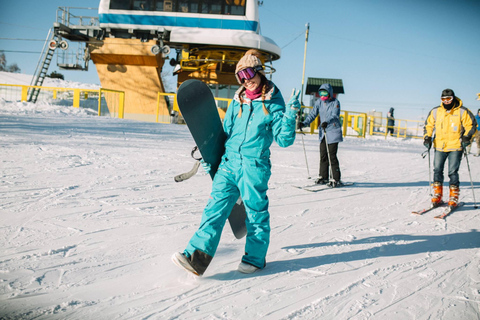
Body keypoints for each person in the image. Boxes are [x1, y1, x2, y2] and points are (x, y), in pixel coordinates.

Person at [172, 52, 301, 276]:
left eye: (249, 73)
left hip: (254, 166)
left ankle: (254, 258)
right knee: (214, 209)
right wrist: (210, 157)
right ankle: (197, 258)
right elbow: (226, 133)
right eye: (240, 76)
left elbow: (284, 139)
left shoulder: (273, 102)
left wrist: (290, 115)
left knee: (255, 213)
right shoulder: (237, 101)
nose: (246, 79)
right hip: (229, 163)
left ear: (260, 72)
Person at [423, 89, 477, 207]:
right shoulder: (436, 111)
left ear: (453, 98)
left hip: (456, 146)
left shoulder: (462, 111)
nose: (446, 101)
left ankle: (454, 196)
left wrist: (467, 137)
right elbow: (428, 125)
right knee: (437, 170)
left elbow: (471, 125)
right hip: (440, 146)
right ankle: (437, 195)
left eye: (449, 99)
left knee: (452, 172)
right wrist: (427, 137)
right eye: (443, 99)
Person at [297, 84, 343, 187]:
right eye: (321, 93)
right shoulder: (319, 102)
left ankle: (336, 178)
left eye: (325, 93)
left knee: (331, 155)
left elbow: (335, 115)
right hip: (324, 132)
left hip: (333, 131)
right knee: (323, 155)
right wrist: (304, 123)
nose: (322, 95)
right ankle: (323, 176)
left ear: (330, 93)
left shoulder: (335, 102)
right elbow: (313, 114)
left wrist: (327, 121)